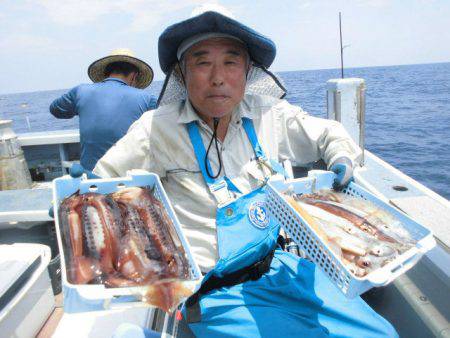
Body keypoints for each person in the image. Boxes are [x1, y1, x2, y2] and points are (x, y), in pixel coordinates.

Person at [93, 11, 398, 338]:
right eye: (202, 62)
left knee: (382, 334)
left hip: (280, 267)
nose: (218, 77)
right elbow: (101, 186)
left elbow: (328, 135)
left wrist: (341, 157)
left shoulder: (269, 113)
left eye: (230, 62)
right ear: (182, 75)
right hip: (214, 292)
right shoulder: (154, 129)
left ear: (248, 71)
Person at [49, 48, 157, 171]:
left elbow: (55, 109)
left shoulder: (80, 91)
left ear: (106, 73)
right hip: (129, 179)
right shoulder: (147, 99)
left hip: (91, 178)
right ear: (134, 76)